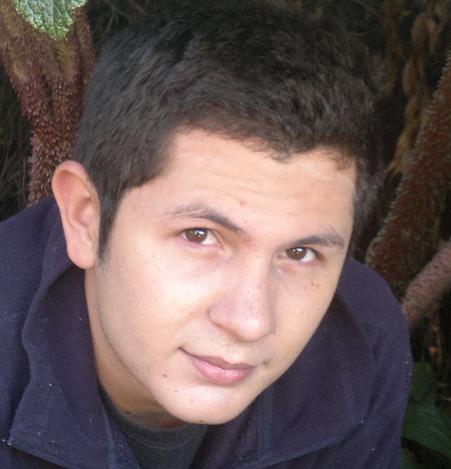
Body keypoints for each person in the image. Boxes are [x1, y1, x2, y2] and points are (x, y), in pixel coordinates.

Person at [0, 1, 412, 467]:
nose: (250, 321)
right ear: (85, 218)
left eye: (300, 252)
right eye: (199, 235)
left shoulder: (361, 340)